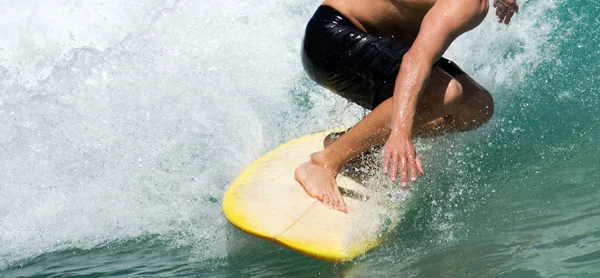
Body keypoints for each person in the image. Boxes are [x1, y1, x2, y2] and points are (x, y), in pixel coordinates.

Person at [295, 0, 519, 212]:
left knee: (477, 107)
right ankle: (324, 163)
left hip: (368, 42)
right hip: (331, 42)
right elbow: (415, 61)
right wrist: (400, 132)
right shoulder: (469, 4)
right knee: (444, 94)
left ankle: (352, 143)